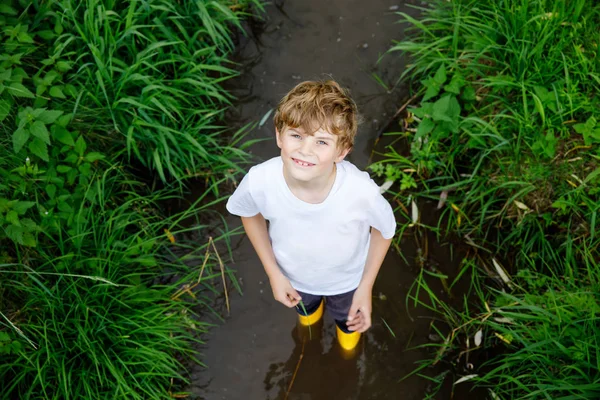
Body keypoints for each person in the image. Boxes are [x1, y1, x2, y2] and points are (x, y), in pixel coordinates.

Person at [226, 80, 396, 351]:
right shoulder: (260, 181)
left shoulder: (360, 192)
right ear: (279, 135)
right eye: (297, 135)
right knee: (306, 317)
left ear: (342, 151)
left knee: (348, 328)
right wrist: (273, 274)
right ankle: (308, 336)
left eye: (321, 141)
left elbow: (384, 231)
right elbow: (249, 213)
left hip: (347, 280)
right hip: (293, 277)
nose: (306, 150)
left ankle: (346, 357)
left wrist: (365, 286)